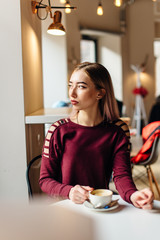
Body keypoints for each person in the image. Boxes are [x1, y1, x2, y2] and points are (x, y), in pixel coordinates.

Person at [39, 62, 153, 209]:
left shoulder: (117, 131)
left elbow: (122, 176)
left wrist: (133, 195)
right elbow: (45, 180)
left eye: (81, 86)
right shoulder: (58, 130)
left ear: (100, 93)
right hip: (64, 208)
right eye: (70, 85)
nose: (72, 93)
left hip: (98, 207)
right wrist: (69, 191)